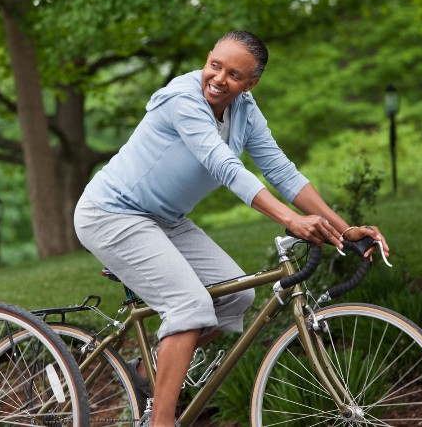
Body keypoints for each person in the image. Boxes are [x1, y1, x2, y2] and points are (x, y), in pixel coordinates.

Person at [74, 30, 389, 427]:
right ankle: (162, 421)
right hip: (111, 213)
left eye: (234, 75)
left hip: (166, 220)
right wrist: (290, 220)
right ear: (207, 59)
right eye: (215, 66)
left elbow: (281, 171)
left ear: (251, 83)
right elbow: (224, 166)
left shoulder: (245, 110)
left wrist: (344, 231)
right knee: (188, 307)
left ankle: (146, 373)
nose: (219, 79)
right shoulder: (182, 98)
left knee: (235, 300)